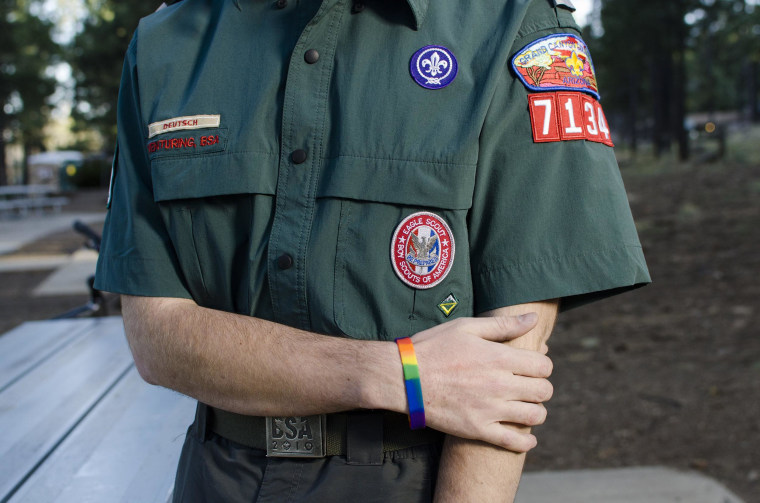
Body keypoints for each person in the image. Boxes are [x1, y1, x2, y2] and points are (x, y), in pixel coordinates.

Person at [95, 0, 650, 501]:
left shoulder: (515, 25)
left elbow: (508, 368)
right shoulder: (167, 43)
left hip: (412, 482)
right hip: (216, 479)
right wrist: (396, 374)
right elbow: (156, 335)